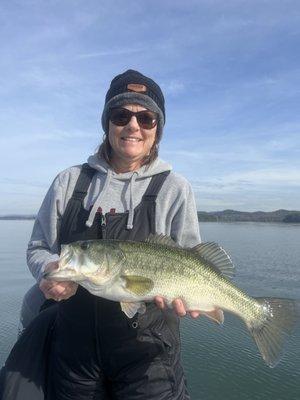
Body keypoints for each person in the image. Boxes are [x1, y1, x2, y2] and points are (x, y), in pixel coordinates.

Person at [1, 70, 201, 400]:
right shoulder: (69, 182)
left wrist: (191, 297)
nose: (133, 126)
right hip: (74, 354)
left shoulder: (175, 188)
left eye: (146, 118)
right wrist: (49, 270)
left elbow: (192, 261)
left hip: (149, 357)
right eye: (121, 115)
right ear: (107, 123)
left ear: (157, 130)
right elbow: (39, 247)